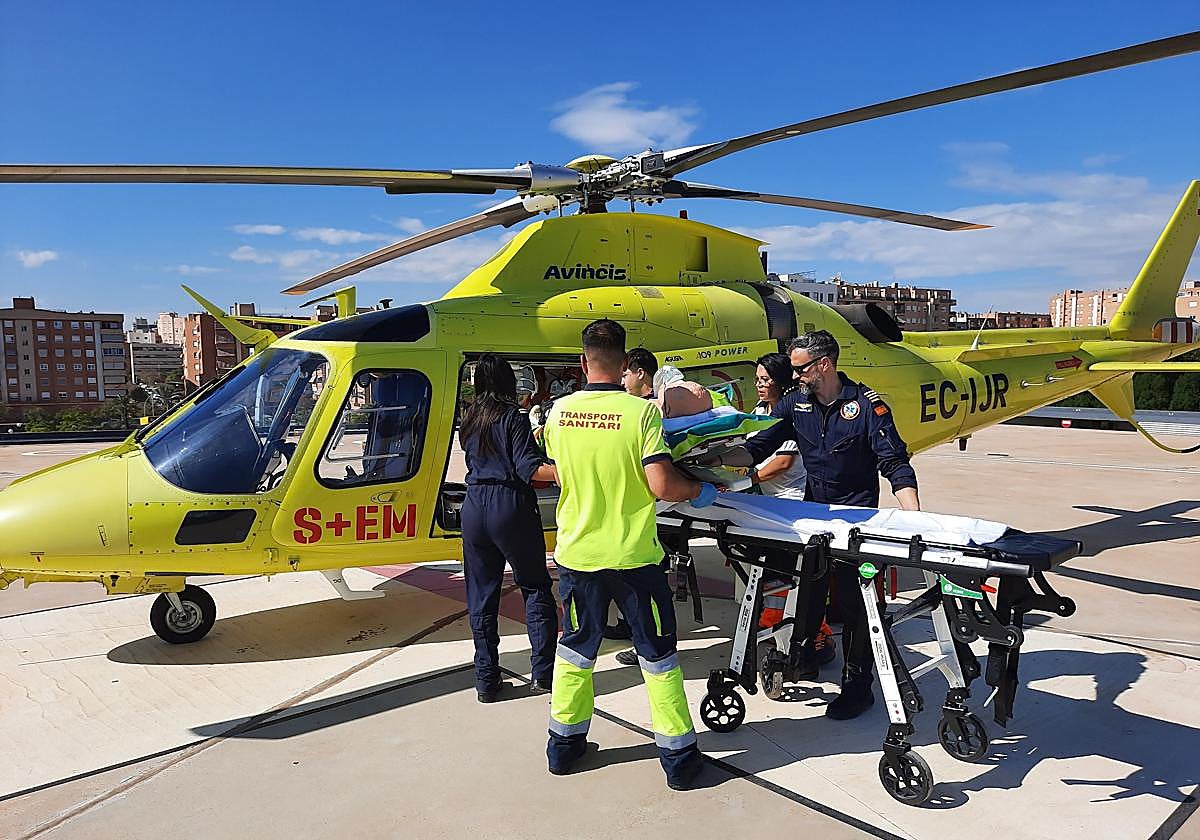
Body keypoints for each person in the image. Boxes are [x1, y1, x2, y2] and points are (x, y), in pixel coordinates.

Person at [704, 330, 919, 720]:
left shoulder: (867, 407)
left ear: (824, 365)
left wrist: (913, 517)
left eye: (800, 368)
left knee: (856, 606)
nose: (794, 375)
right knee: (808, 592)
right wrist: (709, 459)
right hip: (813, 518)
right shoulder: (795, 404)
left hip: (855, 518)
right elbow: (756, 449)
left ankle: (859, 685)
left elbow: (895, 464)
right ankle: (803, 654)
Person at [543, 319, 716, 790]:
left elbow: (561, 475)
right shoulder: (640, 414)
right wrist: (699, 490)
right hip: (635, 556)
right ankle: (678, 760)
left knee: (575, 651)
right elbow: (661, 484)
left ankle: (564, 746)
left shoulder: (558, 413)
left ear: (582, 363)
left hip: (578, 554)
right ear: (623, 365)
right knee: (657, 657)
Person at [459, 354, 560, 703]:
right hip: (509, 505)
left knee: (481, 595)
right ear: (508, 381)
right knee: (534, 587)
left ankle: (486, 680)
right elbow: (528, 469)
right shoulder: (512, 419)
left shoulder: (468, 420)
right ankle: (542, 674)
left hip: (473, 506)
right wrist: (567, 470)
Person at [608, 346, 661, 665]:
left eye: (626, 372)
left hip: (650, 506)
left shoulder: (653, 408)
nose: (623, 378)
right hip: (631, 507)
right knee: (627, 576)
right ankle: (631, 625)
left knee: (644, 579)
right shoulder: (633, 407)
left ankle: (648, 639)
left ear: (641, 373)